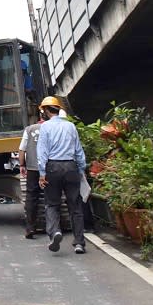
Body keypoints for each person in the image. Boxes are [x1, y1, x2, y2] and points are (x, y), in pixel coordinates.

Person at [36, 96, 87, 254]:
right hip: (71, 167)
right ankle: (79, 243)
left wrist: (42, 173)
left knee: (52, 204)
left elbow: (42, 152)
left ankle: (55, 232)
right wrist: (80, 169)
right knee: (75, 206)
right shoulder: (70, 126)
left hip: (53, 167)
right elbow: (79, 151)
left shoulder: (45, 127)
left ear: (45, 111)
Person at [19, 107, 48, 239]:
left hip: (32, 168)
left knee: (31, 197)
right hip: (49, 167)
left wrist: (22, 165)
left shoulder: (29, 129)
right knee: (51, 195)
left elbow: (22, 150)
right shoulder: (52, 127)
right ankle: (54, 227)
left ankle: (30, 227)